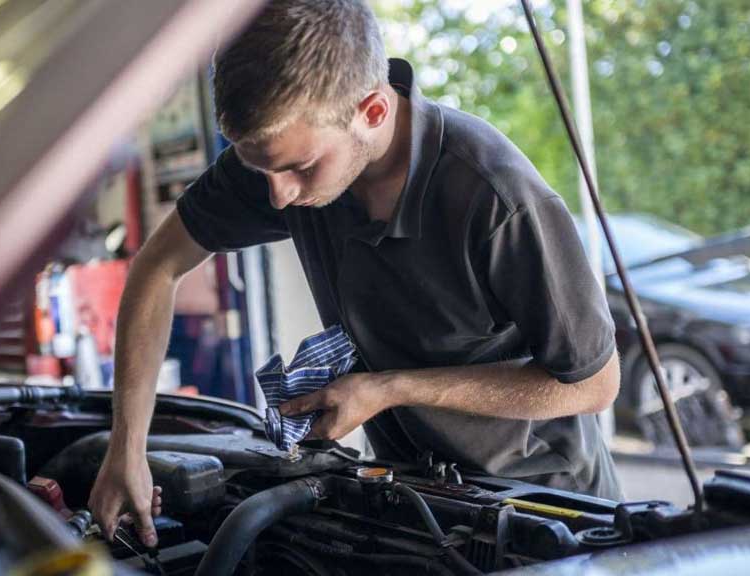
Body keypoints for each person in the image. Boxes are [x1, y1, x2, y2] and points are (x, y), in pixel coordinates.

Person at [88, 0, 623, 547]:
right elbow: (156, 266)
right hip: (416, 503)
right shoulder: (282, 157)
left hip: (543, 516)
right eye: (261, 168)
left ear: (370, 111)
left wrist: (388, 388)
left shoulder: (495, 197)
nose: (279, 195)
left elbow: (593, 385)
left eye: (299, 168)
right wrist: (126, 450)